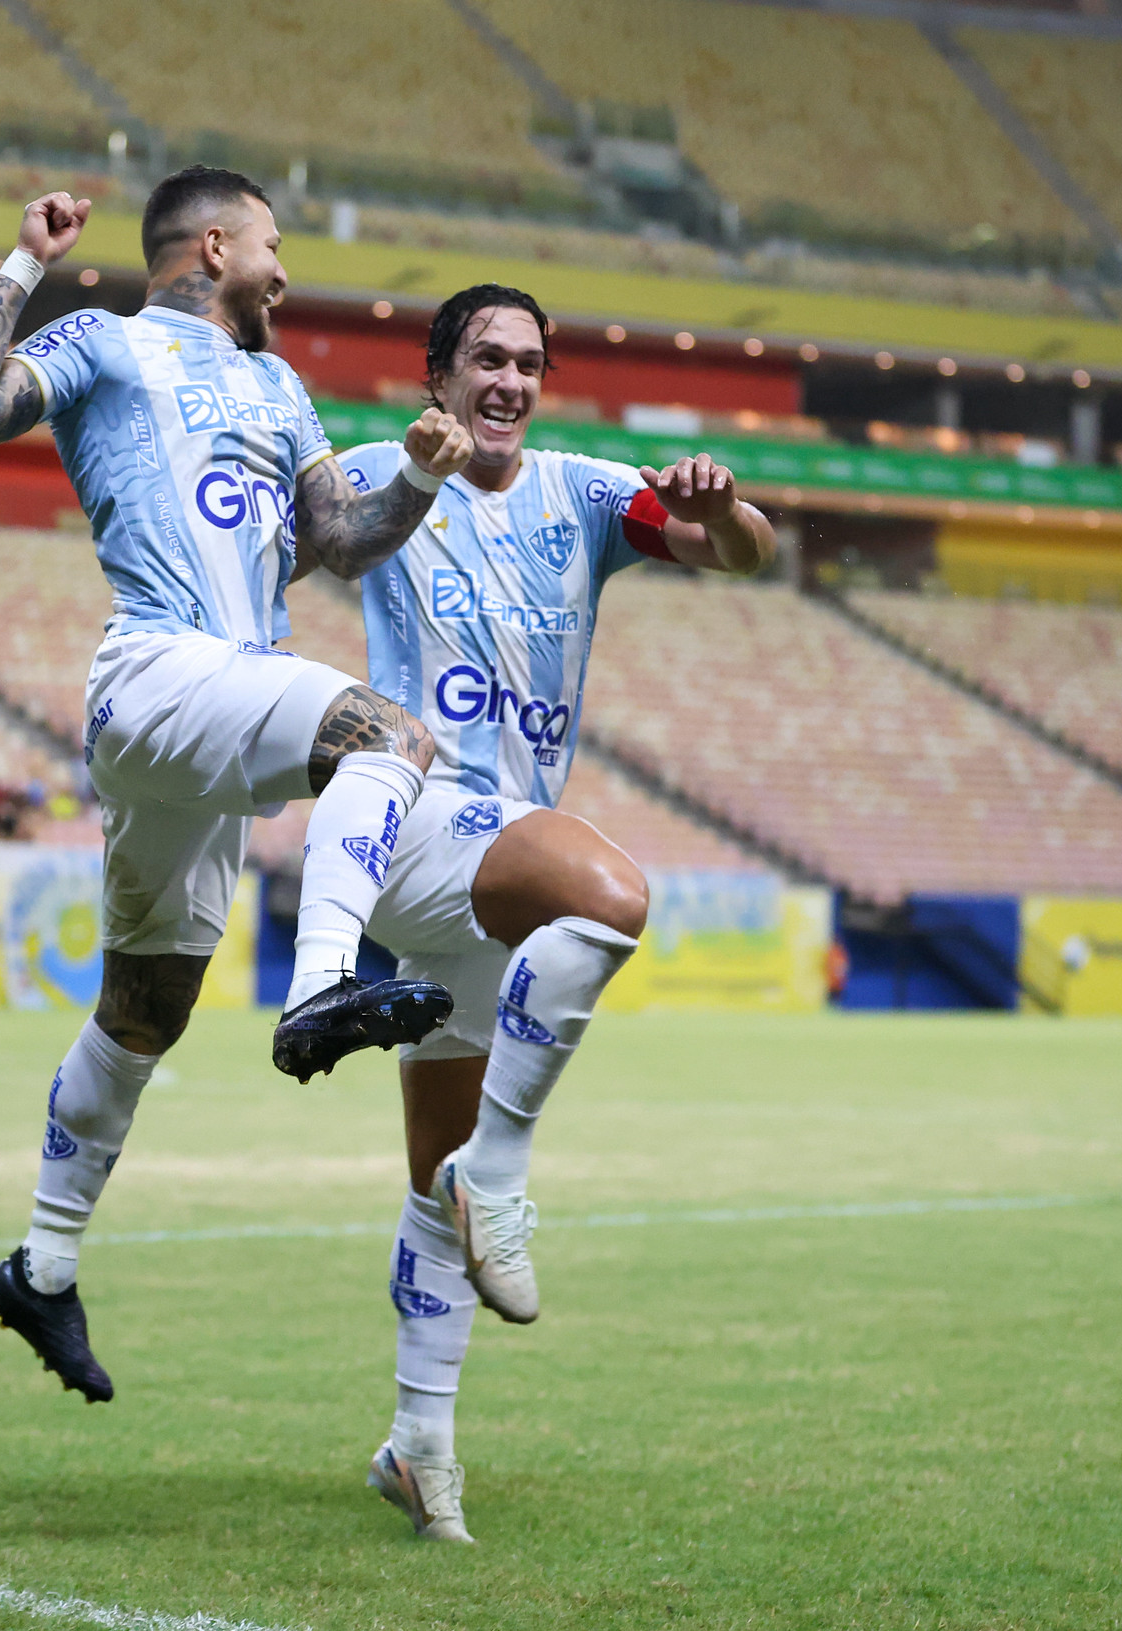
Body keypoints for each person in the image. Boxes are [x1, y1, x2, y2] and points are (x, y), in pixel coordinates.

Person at [0, 168, 476, 1403]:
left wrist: (423, 478)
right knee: (390, 733)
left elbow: (335, 540)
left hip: (221, 702)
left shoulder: (279, 385)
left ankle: (42, 1269)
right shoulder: (106, 343)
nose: (285, 272)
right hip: (163, 667)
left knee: (147, 1006)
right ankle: (325, 983)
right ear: (214, 244)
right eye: (273, 247)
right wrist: (24, 264)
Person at [320, 284, 773, 1541]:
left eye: (527, 362)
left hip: (494, 859)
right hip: (420, 817)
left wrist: (718, 511)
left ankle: (418, 1450)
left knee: (426, 1186)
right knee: (613, 894)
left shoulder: (584, 492)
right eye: (484, 359)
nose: (508, 380)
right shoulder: (379, 470)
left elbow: (748, 554)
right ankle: (504, 1173)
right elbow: (306, 542)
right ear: (438, 375)